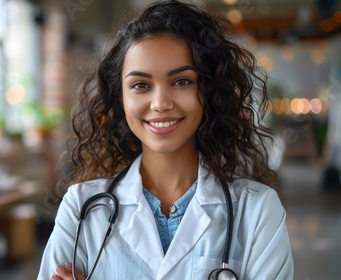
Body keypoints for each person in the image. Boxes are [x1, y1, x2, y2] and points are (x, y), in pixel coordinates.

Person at [38, 1, 294, 279]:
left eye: (181, 81)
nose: (160, 103)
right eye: (140, 85)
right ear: (120, 97)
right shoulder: (81, 207)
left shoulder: (257, 211)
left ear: (207, 90)